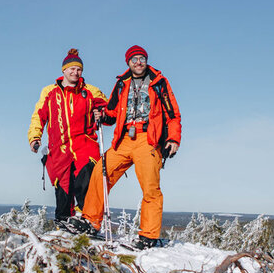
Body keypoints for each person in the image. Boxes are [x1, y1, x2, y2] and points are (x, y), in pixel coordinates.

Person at [81, 45, 182, 249]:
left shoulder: (159, 83)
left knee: (150, 187)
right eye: (134, 59)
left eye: (141, 58)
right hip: (124, 138)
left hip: (148, 139)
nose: (138, 62)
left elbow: (173, 114)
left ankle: (148, 235)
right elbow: (111, 112)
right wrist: (102, 115)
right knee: (101, 172)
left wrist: (173, 139)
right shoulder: (122, 84)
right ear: (128, 62)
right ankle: (91, 221)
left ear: (146, 61)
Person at [28, 48, 107, 235]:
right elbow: (38, 116)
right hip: (59, 147)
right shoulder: (50, 92)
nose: (75, 72)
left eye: (78, 69)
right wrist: (34, 137)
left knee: (85, 181)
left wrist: (101, 113)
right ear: (63, 70)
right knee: (62, 188)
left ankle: (87, 223)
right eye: (71, 69)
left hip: (84, 143)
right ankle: (62, 226)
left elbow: (109, 109)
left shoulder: (90, 91)